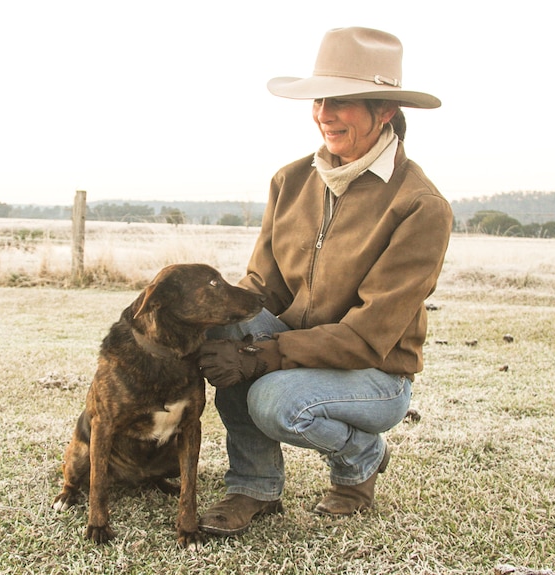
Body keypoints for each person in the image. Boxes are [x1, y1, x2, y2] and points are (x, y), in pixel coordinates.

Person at [196, 26, 453, 537]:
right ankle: (254, 486)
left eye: (342, 102)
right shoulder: (290, 181)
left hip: (375, 375)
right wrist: (204, 317)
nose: (323, 114)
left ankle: (361, 456)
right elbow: (259, 289)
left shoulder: (421, 207)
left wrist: (260, 356)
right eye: (319, 100)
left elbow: (366, 335)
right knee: (225, 325)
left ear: (384, 112)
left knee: (274, 402)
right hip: (291, 348)